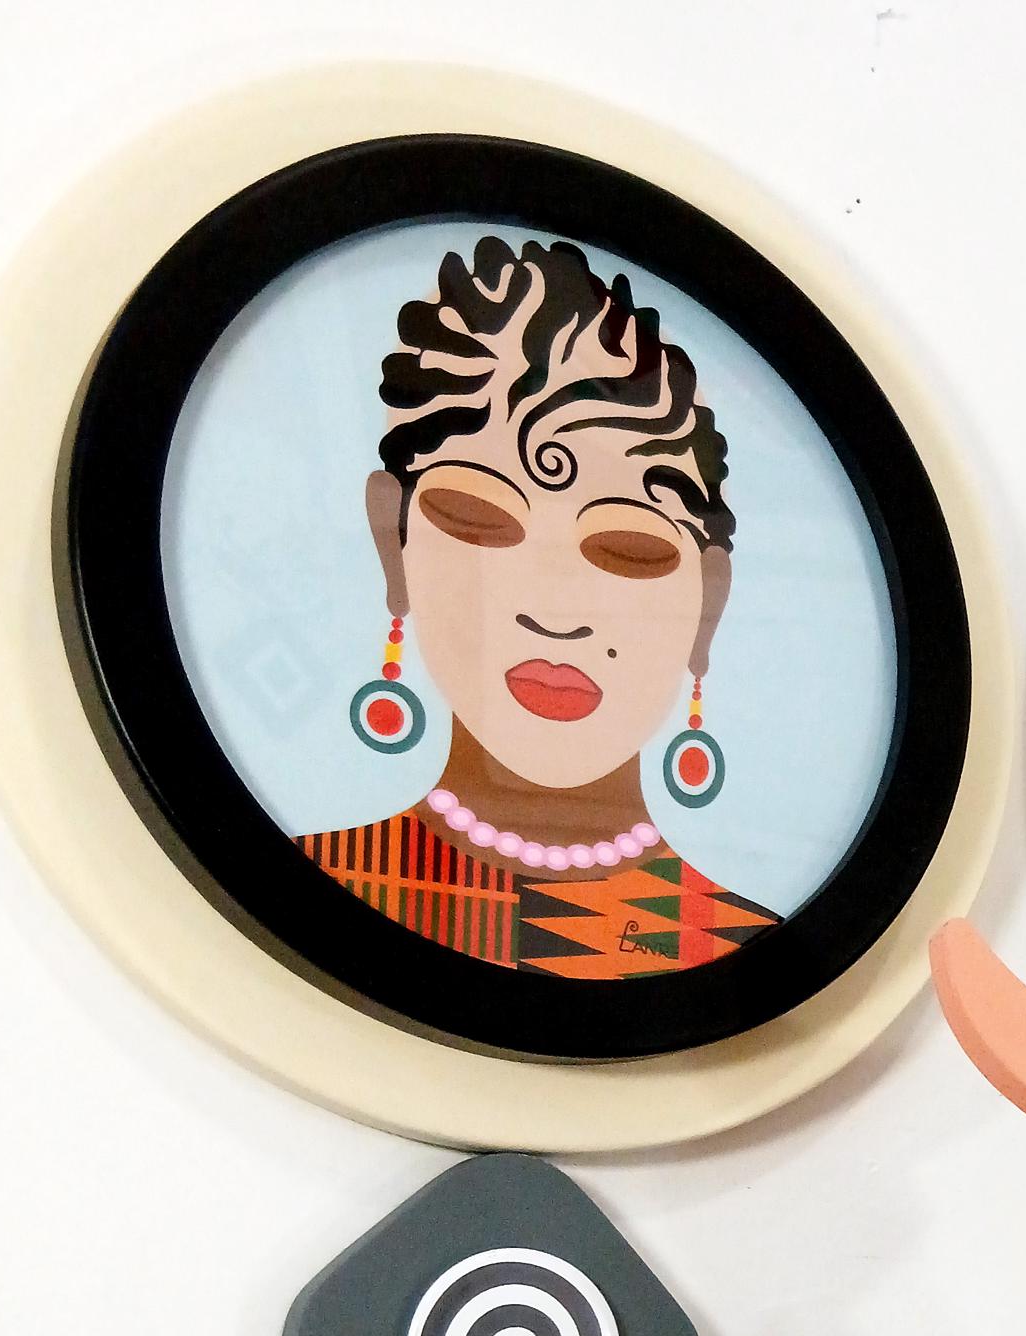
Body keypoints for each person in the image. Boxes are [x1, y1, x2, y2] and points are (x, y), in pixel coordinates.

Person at [299, 236, 773, 978]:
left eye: (629, 549)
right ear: (394, 543)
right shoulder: (320, 889)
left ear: (708, 602)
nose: (556, 613)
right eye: (477, 519)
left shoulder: (737, 958)